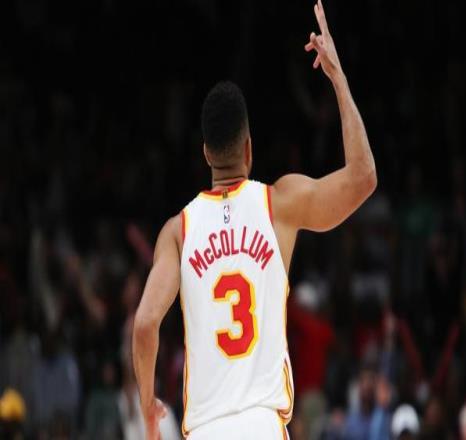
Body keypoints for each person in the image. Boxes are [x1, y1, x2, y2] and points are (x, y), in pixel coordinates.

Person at [132, 0, 377, 438]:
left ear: (206, 153)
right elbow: (363, 178)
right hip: (262, 424)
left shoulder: (178, 231)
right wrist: (338, 79)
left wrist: (148, 406)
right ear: (249, 148)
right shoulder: (278, 204)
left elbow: (146, 324)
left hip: (205, 429)